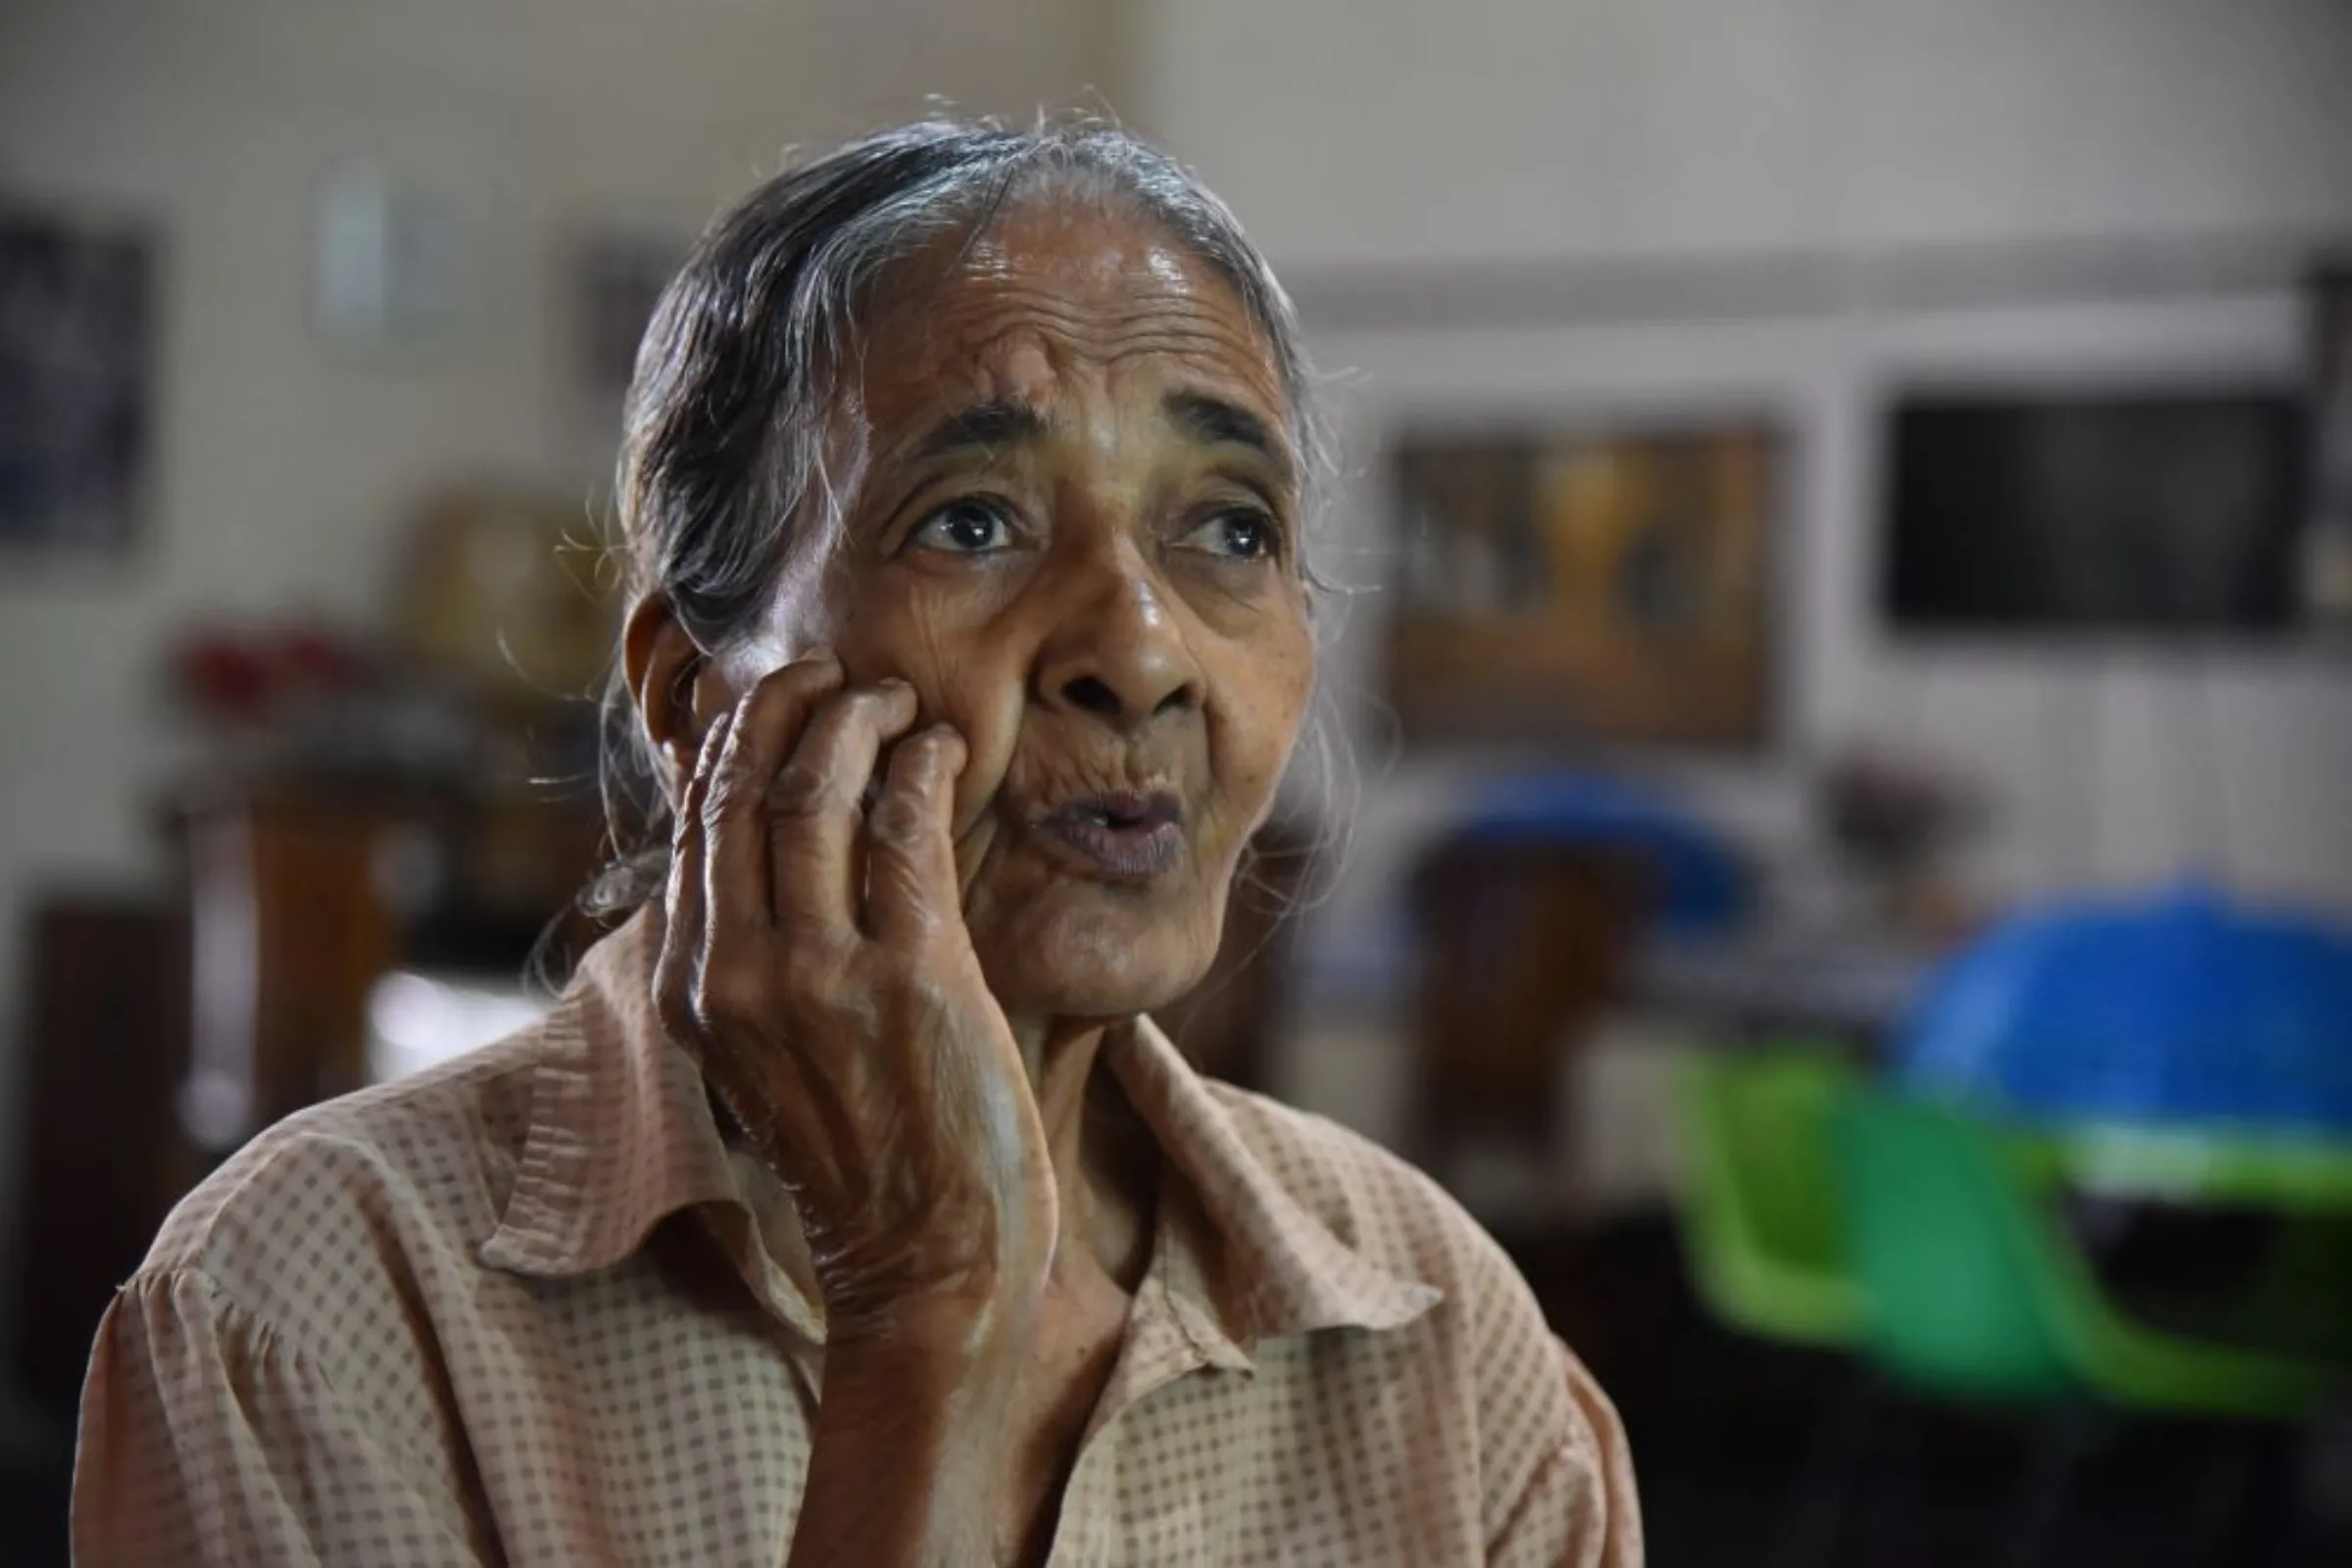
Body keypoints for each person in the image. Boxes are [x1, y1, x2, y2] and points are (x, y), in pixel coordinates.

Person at [73, 118, 1640, 1566]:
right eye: (973, 520)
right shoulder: (310, 1314)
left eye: (1229, 525)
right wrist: (931, 1310)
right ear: (695, 698)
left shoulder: (1442, 1351)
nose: (1143, 650)